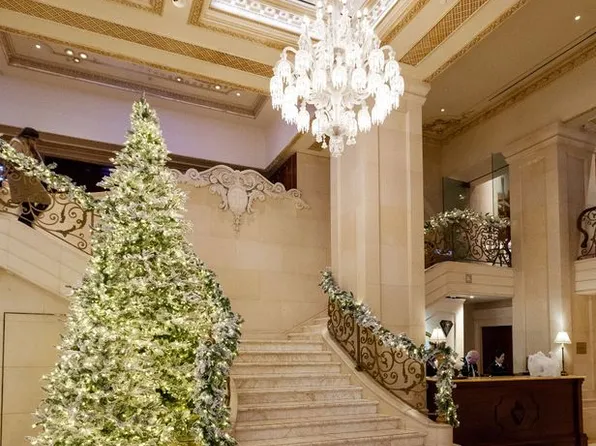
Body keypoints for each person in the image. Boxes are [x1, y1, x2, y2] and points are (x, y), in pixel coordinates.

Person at [6, 128, 51, 227]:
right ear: (27, 138)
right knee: (43, 200)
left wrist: (35, 153)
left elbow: (36, 162)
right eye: (34, 140)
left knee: (31, 204)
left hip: (26, 178)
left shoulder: (29, 147)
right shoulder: (17, 143)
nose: (35, 142)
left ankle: (25, 222)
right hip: (19, 178)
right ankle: (25, 222)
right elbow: (13, 160)